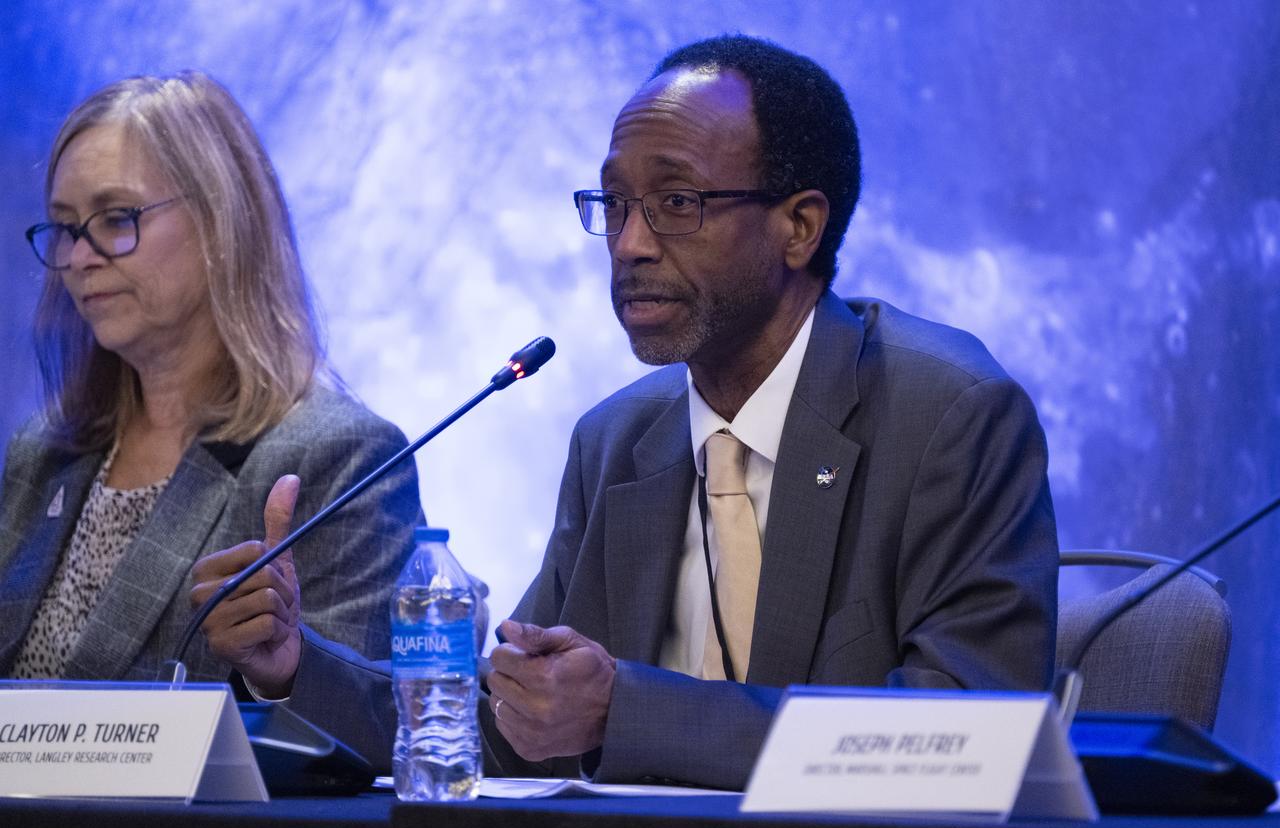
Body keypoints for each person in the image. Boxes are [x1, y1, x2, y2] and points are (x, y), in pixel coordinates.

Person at [481, 35, 1059, 789]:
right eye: (616, 204)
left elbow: (965, 739)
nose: (629, 244)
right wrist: (296, 666)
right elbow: (510, 731)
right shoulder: (616, 441)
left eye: (677, 203)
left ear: (799, 226)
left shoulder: (950, 417)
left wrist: (629, 711)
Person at [0, 71, 419, 766]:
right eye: (66, 228)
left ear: (220, 220)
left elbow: (380, 740)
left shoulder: (337, 453)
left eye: (115, 219)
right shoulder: (39, 452)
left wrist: (285, 666)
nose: (77, 259)